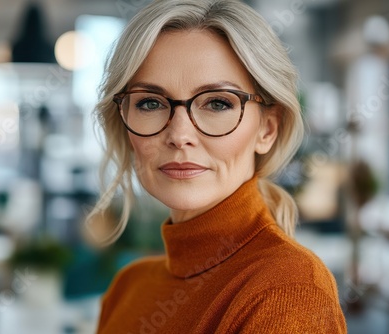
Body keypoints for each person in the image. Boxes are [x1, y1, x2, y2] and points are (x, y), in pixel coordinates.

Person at [87, 0, 347, 332]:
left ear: (267, 129)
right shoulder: (128, 288)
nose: (179, 135)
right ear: (123, 119)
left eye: (217, 103)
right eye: (150, 102)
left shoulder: (288, 289)